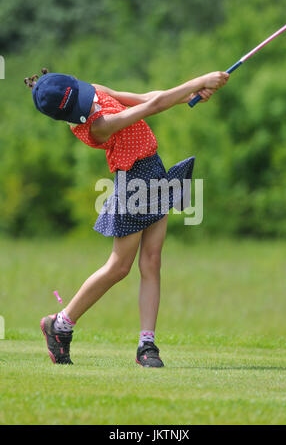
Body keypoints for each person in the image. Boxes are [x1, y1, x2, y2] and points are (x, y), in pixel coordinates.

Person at [25, 67, 229, 367]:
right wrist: (199, 81)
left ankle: (146, 345)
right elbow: (153, 107)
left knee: (152, 261)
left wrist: (189, 95)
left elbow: (146, 98)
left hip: (155, 172)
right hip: (133, 184)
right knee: (119, 267)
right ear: (68, 114)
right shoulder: (96, 127)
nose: (89, 100)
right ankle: (61, 324)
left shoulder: (92, 90)